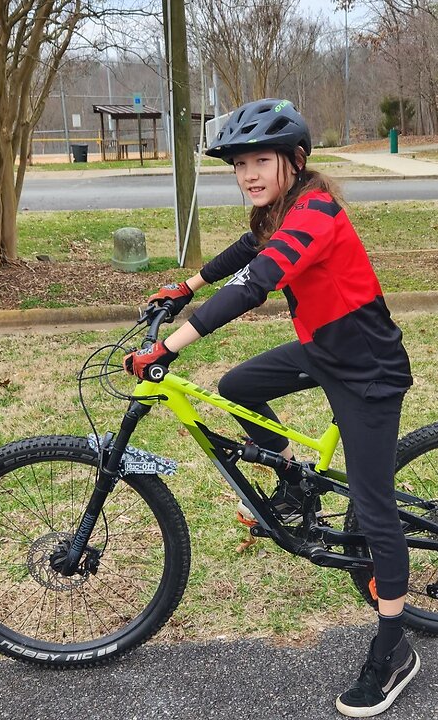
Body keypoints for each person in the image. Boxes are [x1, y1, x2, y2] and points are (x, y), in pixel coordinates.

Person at [123, 98, 419, 717]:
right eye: (239, 165)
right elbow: (242, 252)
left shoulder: (315, 214)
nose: (249, 175)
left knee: (373, 508)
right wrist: (185, 286)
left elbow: (257, 282)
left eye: (261, 160)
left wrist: (168, 347)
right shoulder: (278, 209)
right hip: (323, 347)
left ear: (295, 160)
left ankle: (394, 650)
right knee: (238, 387)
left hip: (366, 369)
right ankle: (294, 479)